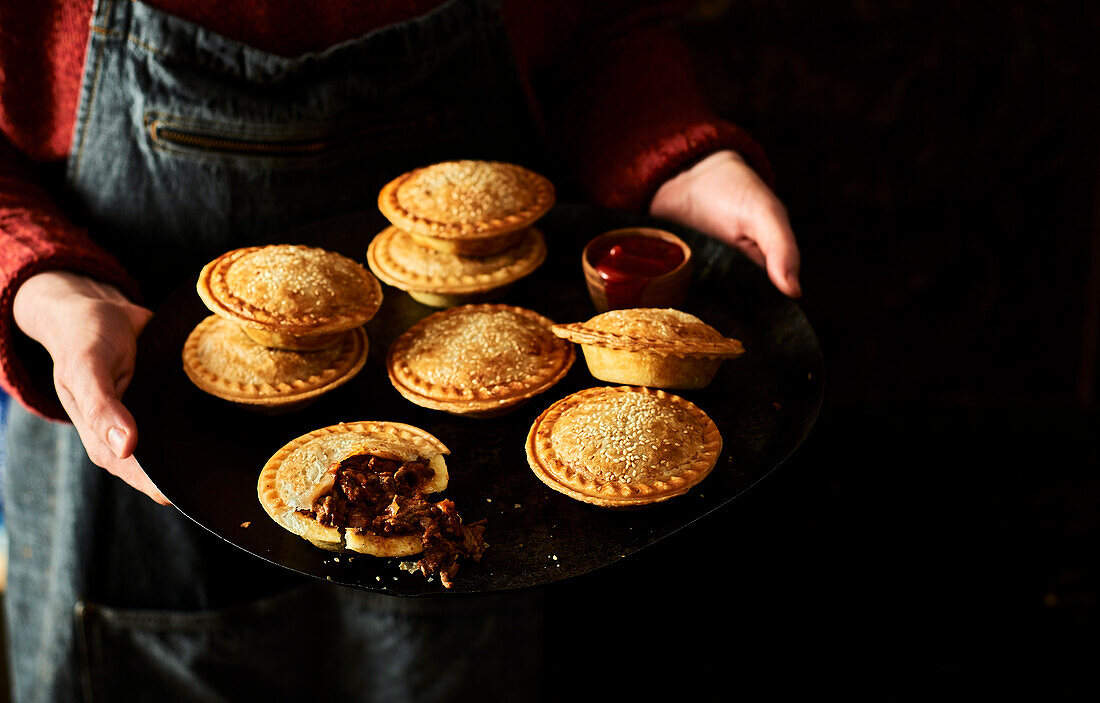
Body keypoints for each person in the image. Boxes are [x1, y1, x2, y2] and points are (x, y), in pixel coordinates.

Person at [0, 1, 800, 701]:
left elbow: (603, 32)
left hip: (487, 476)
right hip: (141, 420)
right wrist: (45, 281)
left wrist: (674, 158)